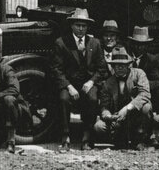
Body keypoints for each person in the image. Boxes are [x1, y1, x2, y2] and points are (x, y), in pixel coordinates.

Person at [50, 8, 108, 151]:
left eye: (84, 26)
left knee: (93, 99)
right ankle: (65, 136)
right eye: (78, 25)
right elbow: (56, 69)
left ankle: (87, 137)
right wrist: (68, 86)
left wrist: (91, 82)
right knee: (63, 98)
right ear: (71, 25)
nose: (81, 29)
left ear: (88, 27)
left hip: (88, 84)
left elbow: (102, 68)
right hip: (70, 84)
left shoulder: (95, 43)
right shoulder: (61, 43)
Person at [94, 47, 152, 150]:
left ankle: (141, 140)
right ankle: (117, 139)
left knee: (146, 107)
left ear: (128, 65)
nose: (119, 68)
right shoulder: (108, 83)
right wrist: (108, 116)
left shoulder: (139, 74)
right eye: (116, 65)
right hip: (117, 118)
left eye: (122, 65)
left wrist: (127, 109)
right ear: (112, 67)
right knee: (99, 127)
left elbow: (145, 94)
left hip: (135, 114)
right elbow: (104, 106)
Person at [129, 25, 159, 133]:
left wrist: (141, 85)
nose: (139, 48)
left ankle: (155, 130)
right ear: (132, 44)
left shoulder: (151, 59)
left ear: (147, 45)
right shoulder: (125, 56)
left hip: (144, 93)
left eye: (143, 44)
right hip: (127, 92)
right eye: (137, 44)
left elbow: (157, 81)